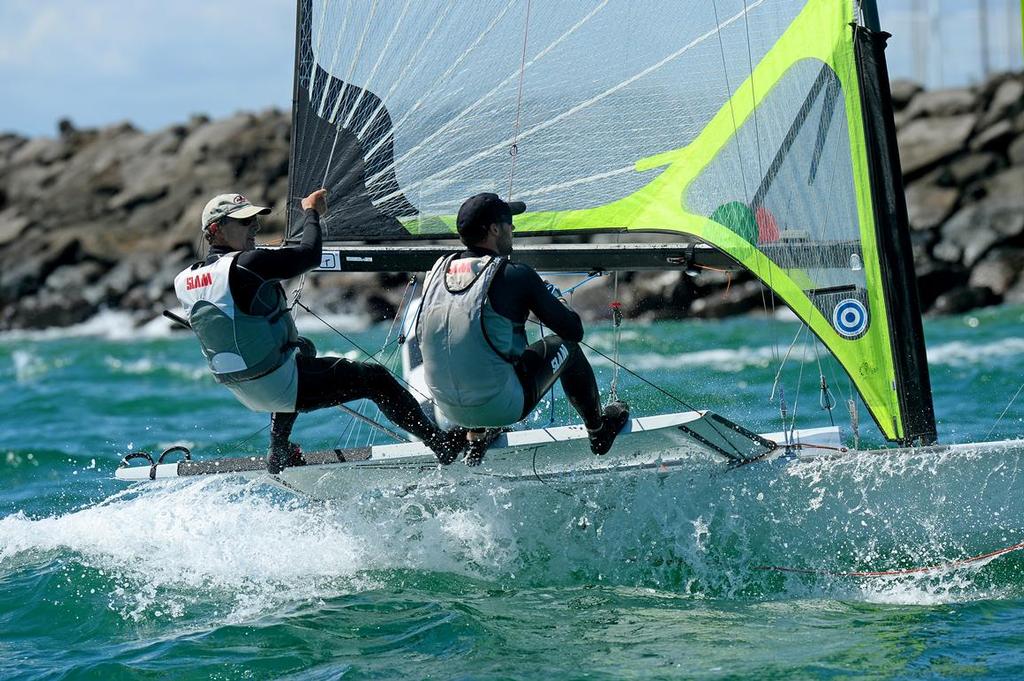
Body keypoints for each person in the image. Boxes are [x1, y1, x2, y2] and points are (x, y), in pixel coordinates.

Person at [173, 189, 464, 473]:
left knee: (300, 352)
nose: (254, 228)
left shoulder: (184, 280)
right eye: (245, 222)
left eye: (255, 221)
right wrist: (311, 211)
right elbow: (309, 255)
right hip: (278, 384)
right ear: (215, 229)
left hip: (243, 387)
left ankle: (279, 448)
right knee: (376, 379)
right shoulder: (247, 264)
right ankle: (441, 445)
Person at [417, 192, 629, 465]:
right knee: (567, 348)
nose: (513, 228)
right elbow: (573, 331)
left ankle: (476, 437)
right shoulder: (514, 275)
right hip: (500, 407)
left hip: (447, 410)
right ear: (494, 229)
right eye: (508, 222)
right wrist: (555, 297)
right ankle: (599, 432)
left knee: (476, 341)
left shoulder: (435, 270)